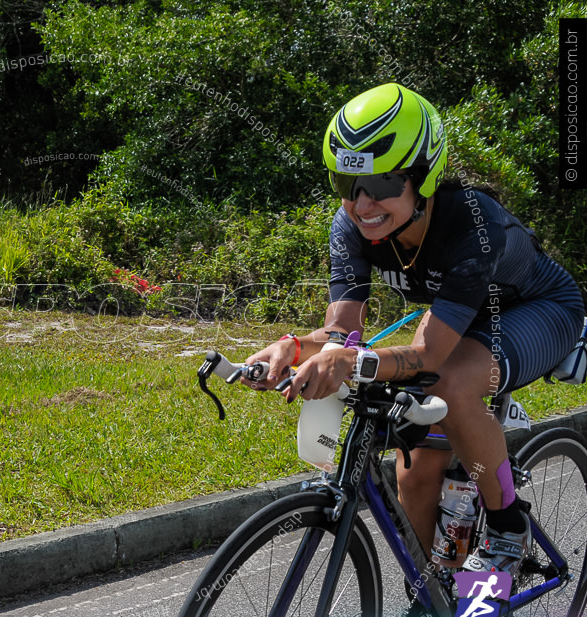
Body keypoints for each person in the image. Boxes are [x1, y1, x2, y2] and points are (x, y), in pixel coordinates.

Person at [243, 82, 585, 574]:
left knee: (452, 384)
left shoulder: (471, 224)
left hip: (539, 308)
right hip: (455, 311)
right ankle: (433, 602)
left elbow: (426, 357)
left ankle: (509, 524)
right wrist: (292, 347)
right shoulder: (353, 227)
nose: (362, 205)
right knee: (415, 474)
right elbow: (342, 333)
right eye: (347, 186)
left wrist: (349, 361)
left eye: (382, 186)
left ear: (423, 178)